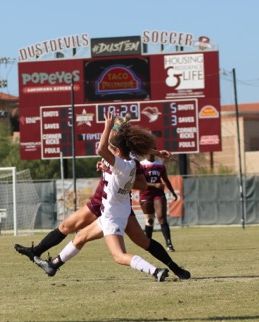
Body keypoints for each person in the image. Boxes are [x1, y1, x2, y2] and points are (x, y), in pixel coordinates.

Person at [14, 139, 190, 281]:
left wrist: (118, 174)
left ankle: (166, 269)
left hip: (111, 205)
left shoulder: (118, 157)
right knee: (74, 231)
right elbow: (128, 149)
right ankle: (48, 261)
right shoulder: (117, 153)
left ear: (117, 148)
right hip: (107, 201)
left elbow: (133, 172)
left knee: (136, 245)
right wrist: (156, 152)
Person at [31, 113, 169, 280]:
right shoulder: (127, 161)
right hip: (115, 210)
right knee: (80, 236)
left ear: (118, 147)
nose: (114, 134)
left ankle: (156, 271)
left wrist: (108, 126)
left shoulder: (120, 161)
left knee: (119, 256)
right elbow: (124, 152)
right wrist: (153, 152)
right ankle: (52, 265)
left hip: (112, 213)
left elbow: (104, 149)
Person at [139, 152, 178, 251]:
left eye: (153, 150)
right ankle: (147, 244)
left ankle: (169, 244)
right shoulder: (141, 164)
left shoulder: (160, 165)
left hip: (158, 193)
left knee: (161, 217)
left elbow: (166, 179)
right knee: (149, 220)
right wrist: (154, 184)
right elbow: (139, 182)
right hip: (145, 194)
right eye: (148, 150)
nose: (150, 153)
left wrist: (173, 192)